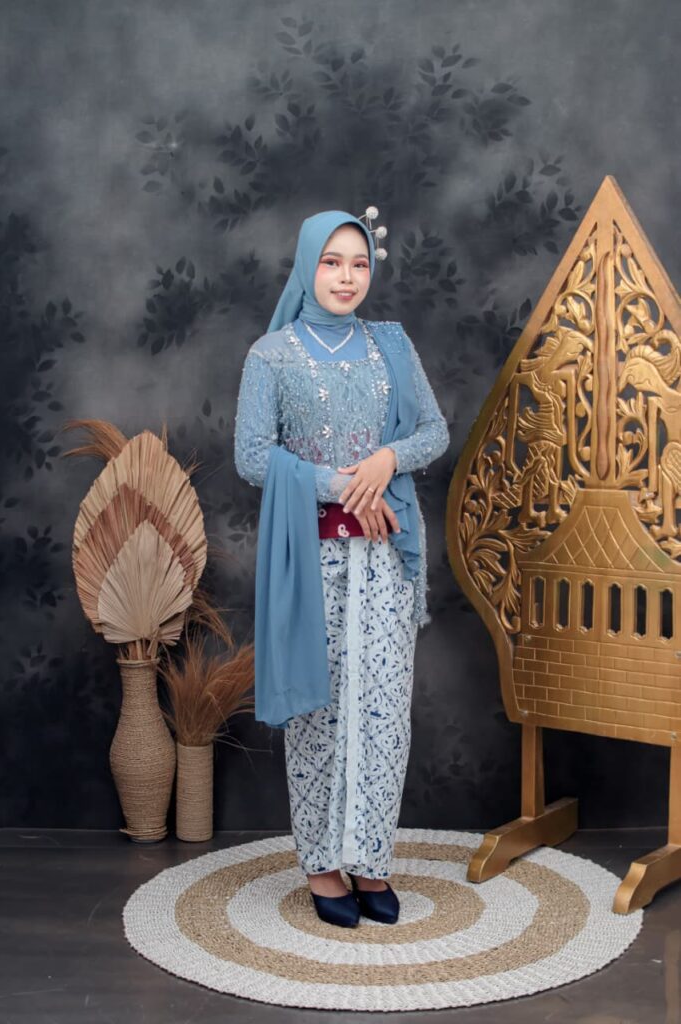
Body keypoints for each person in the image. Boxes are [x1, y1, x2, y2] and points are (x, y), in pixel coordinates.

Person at [234, 208, 449, 928]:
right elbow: (252, 455)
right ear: (307, 266)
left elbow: (434, 431)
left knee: (383, 710)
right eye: (331, 262)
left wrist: (387, 459)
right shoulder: (272, 355)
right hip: (311, 557)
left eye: (359, 263)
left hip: (386, 560)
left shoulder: (391, 345)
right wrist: (341, 485)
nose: (346, 277)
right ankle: (322, 864)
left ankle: (370, 858)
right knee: (318, 710)